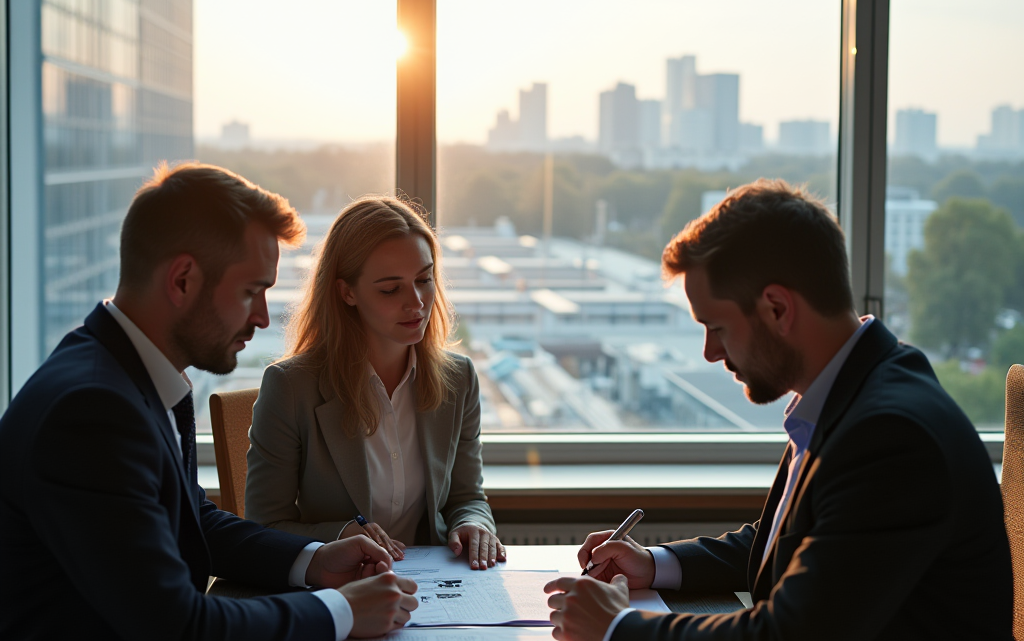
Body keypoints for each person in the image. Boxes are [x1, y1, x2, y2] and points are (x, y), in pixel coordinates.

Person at [545, 179, 1012, 640]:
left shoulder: (891, 436)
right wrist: (655, 564)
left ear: (776, 309)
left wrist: (618, 628)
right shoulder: (850, 391)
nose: (709, 352)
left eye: (717, 327)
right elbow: (794, 546)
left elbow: (790, 634)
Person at [0, 163, 420, 641]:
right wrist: (340, 613)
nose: (263, 318)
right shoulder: (92, 411)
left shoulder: (127, 373)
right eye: (251, 292)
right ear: (182, 280)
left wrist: (313, 560)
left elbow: (193, 518)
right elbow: (175, 625)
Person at [245, 195, 504, 570]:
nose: (416, 303)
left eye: (424, 280)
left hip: (435, 592)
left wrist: (472, 524)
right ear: (346, 292)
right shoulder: (290, 388)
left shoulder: (458, 378)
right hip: (342, 590)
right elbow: (263, 528)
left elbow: (466, 496)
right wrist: (339, 535)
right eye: (390, 289)